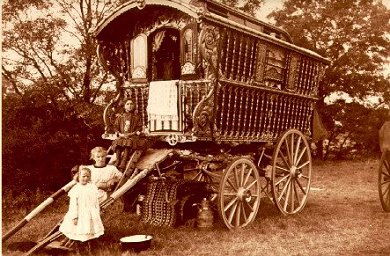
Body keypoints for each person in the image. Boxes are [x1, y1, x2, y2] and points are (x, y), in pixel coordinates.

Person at [59, 167, 104, 245]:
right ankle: (70, 241)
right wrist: (74, 216)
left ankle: (88, 243)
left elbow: (95, 201)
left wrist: (97, 210)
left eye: (88, 176)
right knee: (75, 228)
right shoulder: (76, 189)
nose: (86, 178)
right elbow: (73, 205)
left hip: (90, 211)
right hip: (80, 212)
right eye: (83, 176)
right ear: (78, 176)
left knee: (89, 227)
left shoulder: (92, 187)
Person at [112, 98, 144, 171]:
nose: (129, 106)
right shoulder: (120, 117)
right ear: (124, 106)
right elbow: (115, 127)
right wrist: (119, 134)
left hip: (132, 136)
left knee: (129, 142)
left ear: (133, 106)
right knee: (118, 142)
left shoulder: (136, 117)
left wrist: (132, 134)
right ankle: (118, 160)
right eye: (127, 104)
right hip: (122, 136)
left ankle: (123, 162)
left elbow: (139, 128)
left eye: (131, 104)